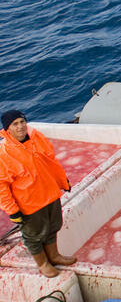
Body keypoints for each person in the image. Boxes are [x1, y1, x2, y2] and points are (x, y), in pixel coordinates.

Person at [0, 111, 76, 277]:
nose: (20, 127)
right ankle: (43, 264)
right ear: (7, 129)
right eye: (15, 124)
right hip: (29, 204)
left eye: (22, 122)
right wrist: (12, 210)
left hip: (50, 195)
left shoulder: (36, 138)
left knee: (53, 227)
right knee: (33, 237)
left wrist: (63, 181)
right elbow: (2, 187)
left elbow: (51, 162)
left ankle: (54, 256)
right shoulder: (4, 154)